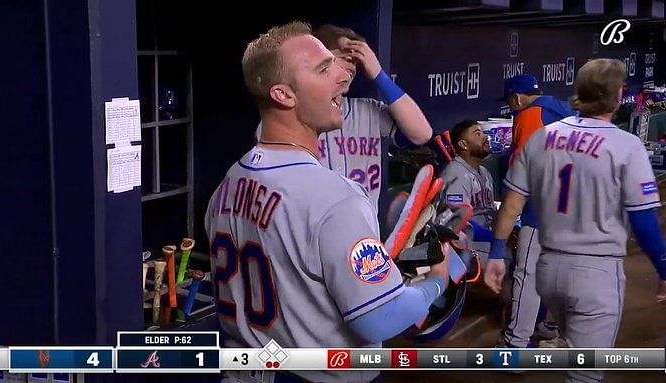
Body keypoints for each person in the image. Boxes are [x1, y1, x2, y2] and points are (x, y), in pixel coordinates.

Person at [207, 21, 448, 383]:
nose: (342, 76)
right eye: (324, 68)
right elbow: (381, 318)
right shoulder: (336, 199)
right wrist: (437, 283)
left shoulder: (228, 183)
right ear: (284, 95)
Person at [485, 59, 666, 383]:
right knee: (585, 374)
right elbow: (643, 220)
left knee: (545, 308)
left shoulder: (541, 135)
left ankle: (532, 342)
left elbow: (511, 204)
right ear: (618, 95)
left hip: (548, 265)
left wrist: (497, 252)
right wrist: (664, 267)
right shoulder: (626, 145)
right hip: (595, 272)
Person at [257, 24, 433, 208]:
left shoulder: (366, 111)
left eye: (355, 61)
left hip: (362, 228)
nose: (351, 66)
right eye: (343, 57)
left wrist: (379, 75)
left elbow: (421, 134)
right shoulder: (288, 115)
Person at [488, 74, 574, 348]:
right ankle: (555, 330)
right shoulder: (565, 110)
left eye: (510, 103)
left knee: (528, 276)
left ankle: (516, 344)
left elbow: (522, 179)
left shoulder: (529, 115)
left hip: (544, 210)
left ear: (517, 98)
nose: (512, 108)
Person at [439, 119, 496, 262]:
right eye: (477, 134)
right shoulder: (456, 173)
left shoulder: (484, 172)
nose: (485, 137)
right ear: (463, 144)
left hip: (485, 240)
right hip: (463, 246)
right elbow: (455, 223)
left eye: (483, 133)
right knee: (510, 258)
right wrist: (496, 238)